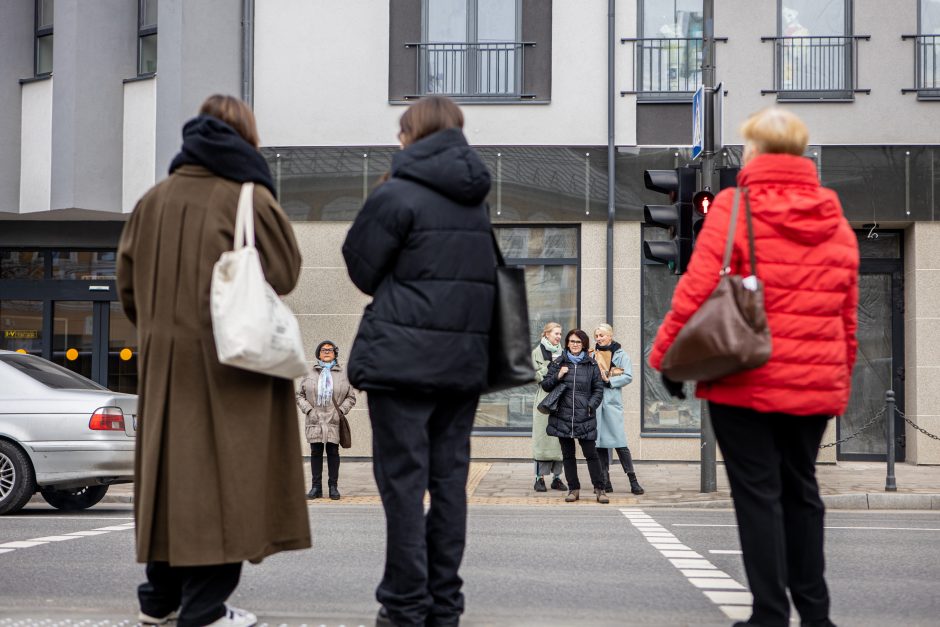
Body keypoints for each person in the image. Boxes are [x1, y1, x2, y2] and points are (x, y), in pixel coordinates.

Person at [650, 107, 858, 627]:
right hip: (813, 383)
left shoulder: (734, 207)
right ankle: (817, 615)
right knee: (801, 493)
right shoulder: (833, 215)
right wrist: (839, 380)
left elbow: (697, 288)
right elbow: (846, 313)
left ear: (757, 152)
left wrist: (667, 359)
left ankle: (769, 614)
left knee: (758, 497)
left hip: (743, 377)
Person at [117, 95, 311, 627]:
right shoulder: (247, 197)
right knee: (230, 481)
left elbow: (128, 292)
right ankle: (203, 610)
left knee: (170, 480)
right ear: (246, 137)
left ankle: (160, 601)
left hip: (164, 368)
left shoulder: (150, 201)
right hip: (233, 364)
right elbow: (287, 273)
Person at [342, 95, 496, 627]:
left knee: (405, 486)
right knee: (449, 483)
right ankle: (445, 606)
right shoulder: (475, 199)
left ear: (412, 134)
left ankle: (404, 607)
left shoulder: (398, 192)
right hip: (462, 366)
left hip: (402, 364)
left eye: (402, 131)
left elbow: (361, 268)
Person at [541, 329, 607, 504]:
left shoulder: (592, 365)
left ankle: (599, 489)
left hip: (584, 416)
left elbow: (598, 390)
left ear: (584, 344)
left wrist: (590, 406)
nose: (575, 345)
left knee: (591, 454)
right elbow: (546, 385)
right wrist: (559, 375)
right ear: (567, 343)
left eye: (578, 342)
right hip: (562, 416)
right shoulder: (558, 362)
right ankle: (573, 489)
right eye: (572, 341)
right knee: (568, 455)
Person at [296, 340, 356, 501]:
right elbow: (299, 395)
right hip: (314, 419)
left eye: (330, 350)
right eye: (323, 350)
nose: (327, 352)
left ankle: (333, 487)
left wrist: (341, 411)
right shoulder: (309, 373)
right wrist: (309, 410)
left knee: (333, 452)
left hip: (333, 418)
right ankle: (316, 487)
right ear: (319, 354)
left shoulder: (344, 375)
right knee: (315, 452)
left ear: (335, 353)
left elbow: (351, 397)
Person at [591, 324, 644, 496]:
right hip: (597, 404)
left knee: (620, 443)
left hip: (612, 403)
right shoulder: (592, 354)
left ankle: (633, 480)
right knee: (599, 444)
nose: (598, 338)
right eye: (596, 335)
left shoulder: (621, 354)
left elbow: (627, 376)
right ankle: (605, 481)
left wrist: (609, 380)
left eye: (602, 335)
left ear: (610, 336)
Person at [530, 322, 566, 493]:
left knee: (560, 439)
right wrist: (550, 368)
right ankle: (539, 479)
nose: (559, 336)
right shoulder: (536, 353)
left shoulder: (564, 352)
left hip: (561, 398)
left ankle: (557, 479)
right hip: (544, 399)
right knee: (542, 439)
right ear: (546, 335)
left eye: (560, 334)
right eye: (556, 333)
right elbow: (534, 375)